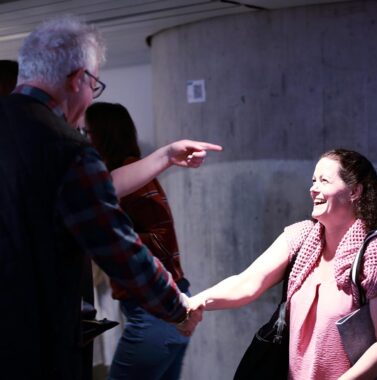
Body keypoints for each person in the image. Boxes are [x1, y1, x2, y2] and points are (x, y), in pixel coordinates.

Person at [0, 16, 221, 380]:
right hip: (35, 343)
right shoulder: (67, 150)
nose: (89, 102)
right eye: (95, 85)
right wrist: (177, 307)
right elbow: (119, 248)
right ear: (79, 80)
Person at [190, 149, 377, 380]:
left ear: (354, 191)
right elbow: (247, 283)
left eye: (324, 181)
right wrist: (195, 302)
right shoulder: (302, 236)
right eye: (313, 180)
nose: (313, 188)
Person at [85, 102, 192, 380]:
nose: (82, 140)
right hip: (159, 306)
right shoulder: (131, 173)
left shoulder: (130, 175)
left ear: (102, 136)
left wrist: (105, 242)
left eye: (86, 133)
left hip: (156, 308)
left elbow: (160, 238)